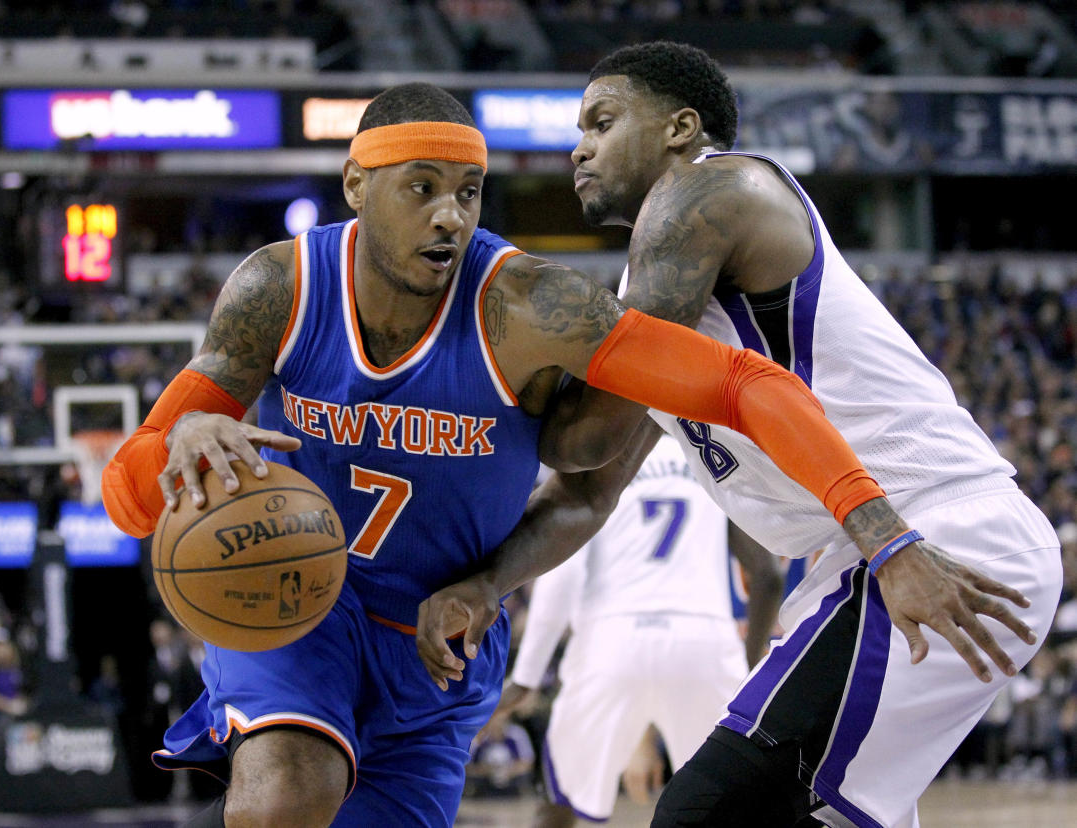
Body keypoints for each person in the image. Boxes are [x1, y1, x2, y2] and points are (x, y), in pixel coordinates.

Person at [102, 83, 1005, 828]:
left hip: (441, 638)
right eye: (421, 188)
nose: (449, 215)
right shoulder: (278, 286)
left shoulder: (527, 305)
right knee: (285, 797)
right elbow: (130, 498)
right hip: (300, 604)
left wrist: (882, 532)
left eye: (468, 191)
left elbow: (747, 385)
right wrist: (178, 441)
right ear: (355, 185)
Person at [414, 42, 1059, 828]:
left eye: (603, 122)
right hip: (859, 557)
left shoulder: (710, 193)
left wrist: (476, 375)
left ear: (681, 129)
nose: (577, 146)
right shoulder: (649, 287)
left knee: (705, 812)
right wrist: (487, 586)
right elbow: (591, 487)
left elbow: (584, 435)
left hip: (932, 535)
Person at [489, 434, 783, 825]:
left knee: (559, 799)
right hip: (702, 643)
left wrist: (526, 677)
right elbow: (768, 578)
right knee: (731, 811)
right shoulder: (712, 456)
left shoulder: (594, 455)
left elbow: (564, 575)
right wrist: (746, 670)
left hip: (610, 641)